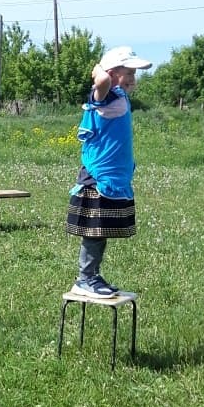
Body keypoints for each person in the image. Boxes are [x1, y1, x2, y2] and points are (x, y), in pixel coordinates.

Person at [66, 45, 153, 298]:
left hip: (110, 178)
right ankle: (85, 279)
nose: (133, 79)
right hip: (98, 178)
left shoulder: (118, 96)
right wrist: (100, 69)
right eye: (129, 73)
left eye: (134, 74)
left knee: (100, 232)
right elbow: (102, 80)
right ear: (113, 73)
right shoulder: (105, 95)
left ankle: (91, 275)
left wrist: (113, 73)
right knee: (94, 233)